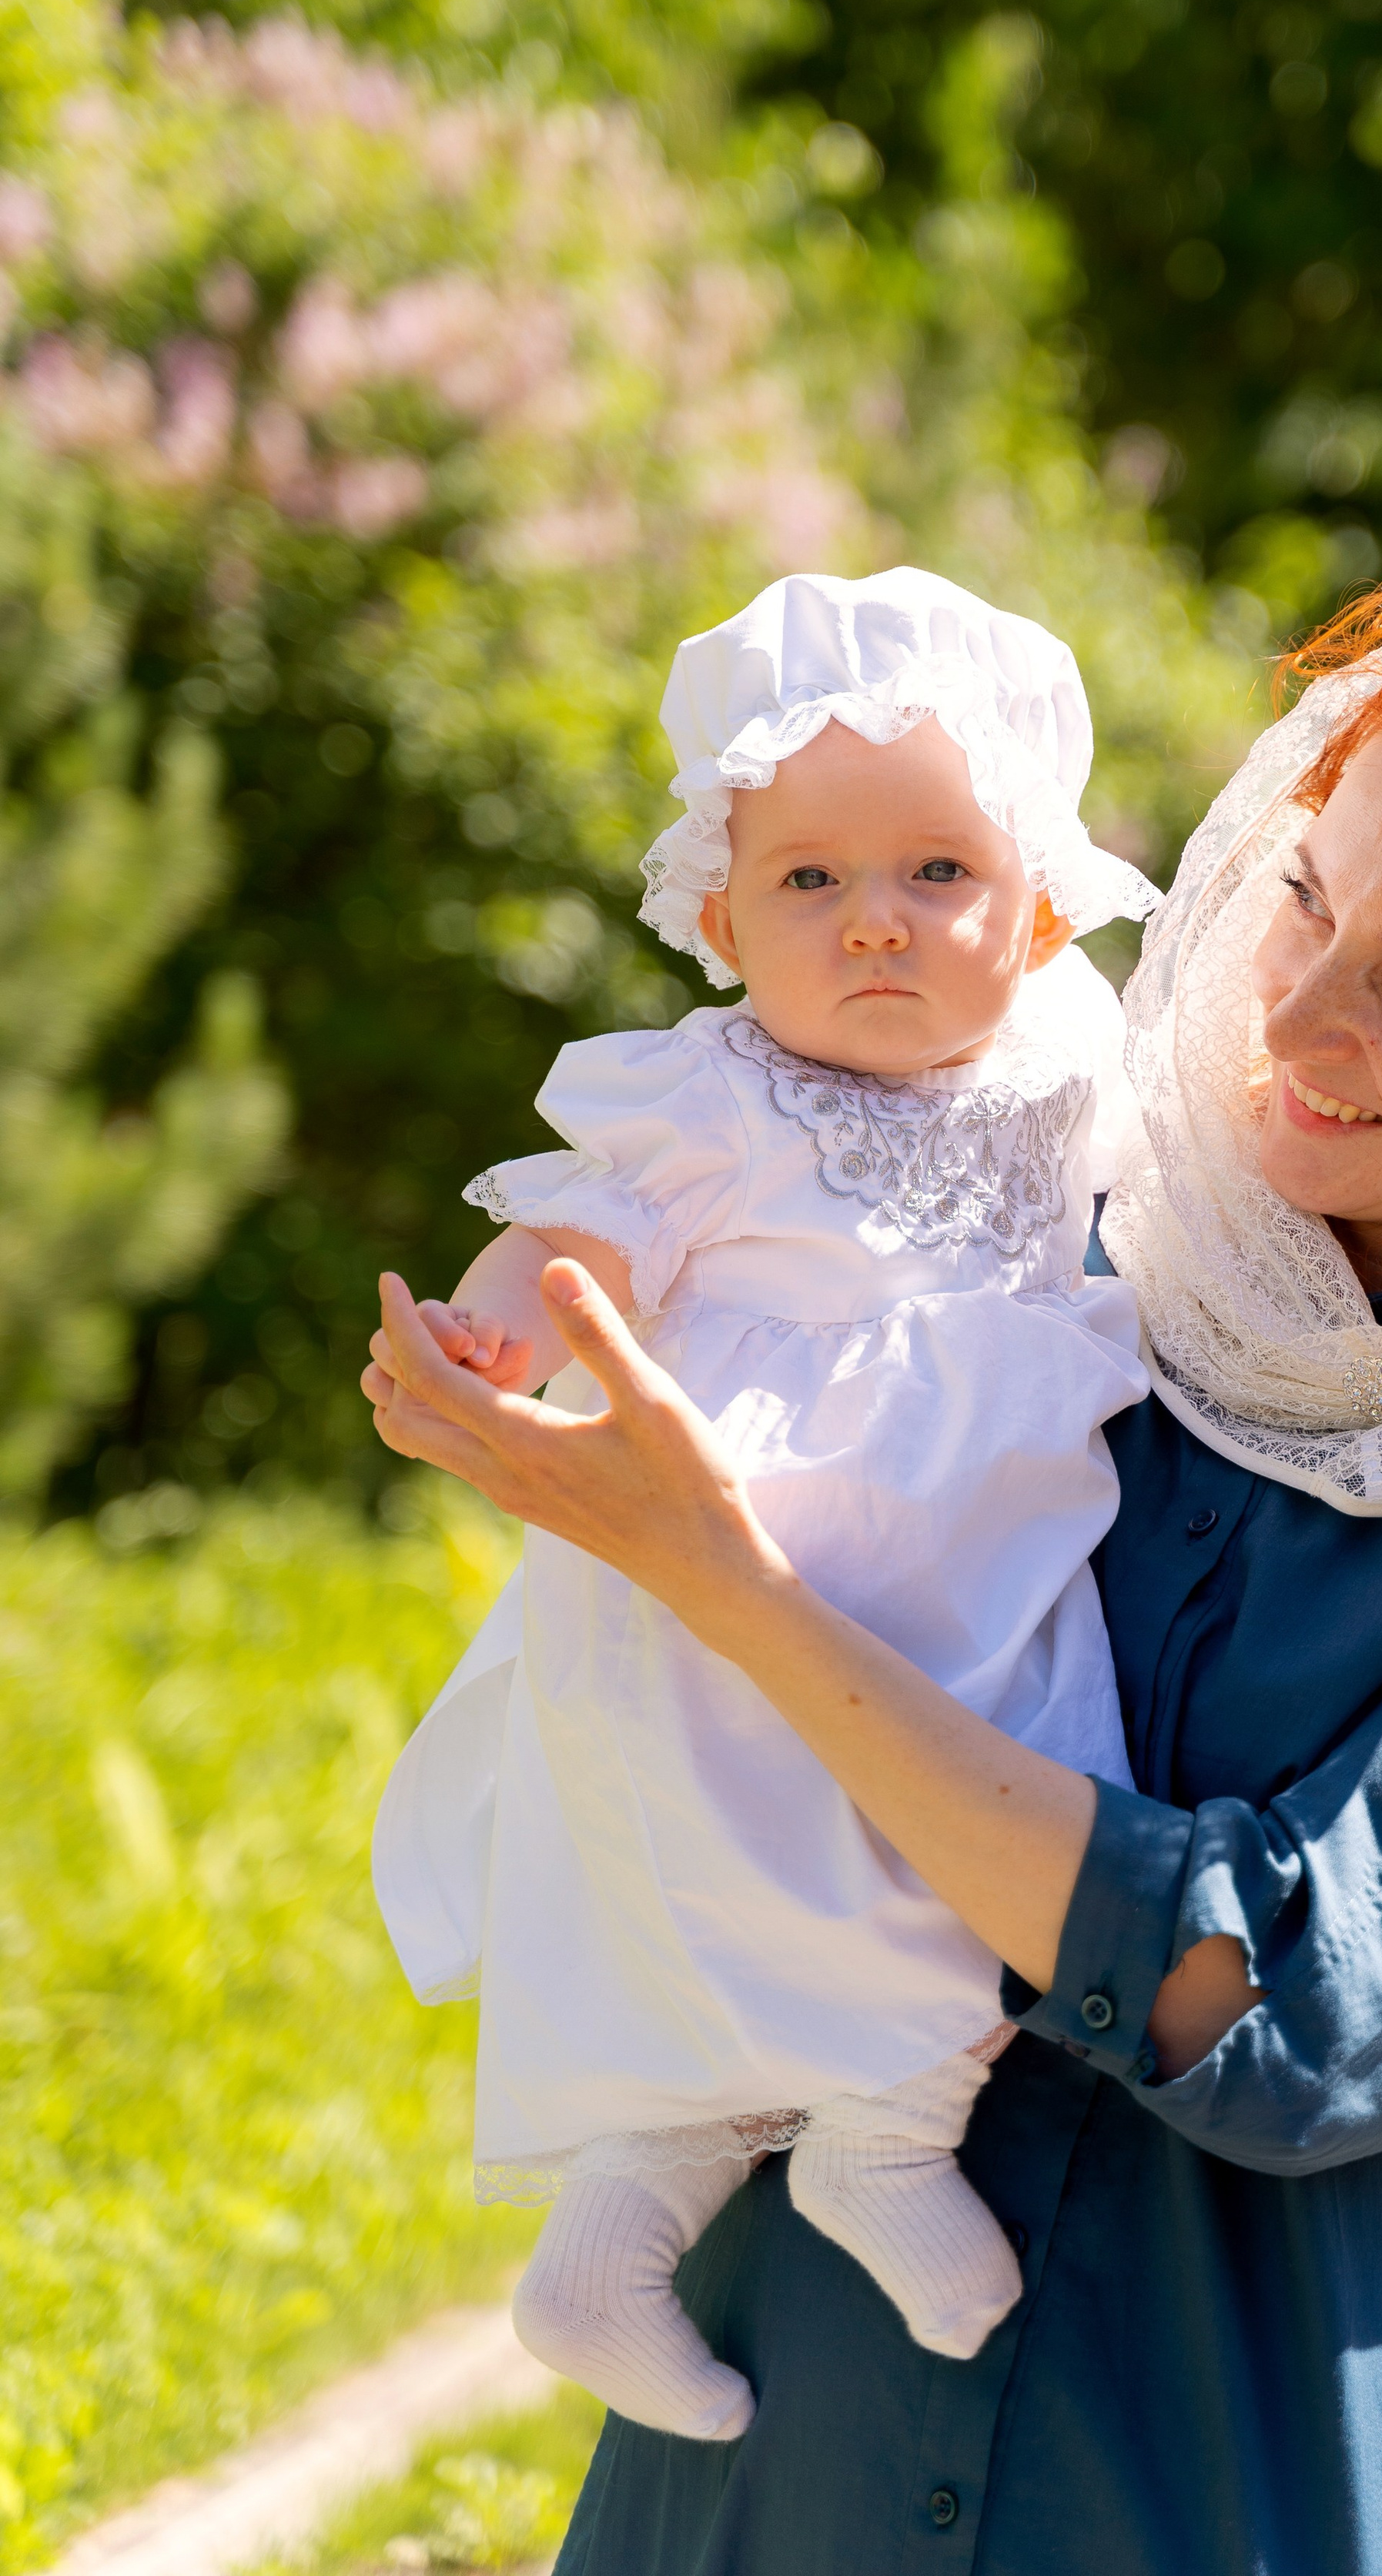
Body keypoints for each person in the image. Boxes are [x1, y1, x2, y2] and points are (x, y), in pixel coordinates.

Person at [363, 560, 1382, 2576]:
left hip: (1246, 2453)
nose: (1301, 1018)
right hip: (809, 2403)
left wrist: (735, 1583)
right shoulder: (1064, 1258)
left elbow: (1292, 2004)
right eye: (1314, 904)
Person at [370, 570, 1156, 2442]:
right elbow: (573, 1248)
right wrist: (489, 1352)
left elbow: (1206, 1205)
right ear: (717, 918)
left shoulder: (1077, 1069)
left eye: (935, 876)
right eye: (809, 882)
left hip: (988, 1579)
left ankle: (880, 2140)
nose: (872, 924)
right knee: (714, 1878)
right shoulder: (711, 1098)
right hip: (718, 1551)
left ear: (1041, 901)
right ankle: (618, 2232)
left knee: (1005, 1823)